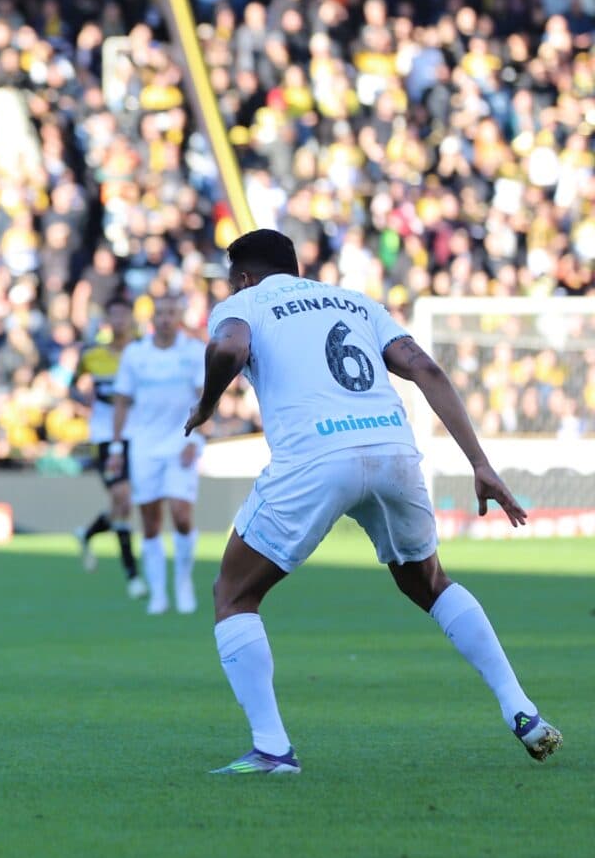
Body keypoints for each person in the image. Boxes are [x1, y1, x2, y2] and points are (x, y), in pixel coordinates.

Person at [185, 230, 559, 774]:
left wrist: (207, 403)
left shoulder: (243, 303)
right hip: (392, 448)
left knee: (234, 593)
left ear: (243, 276)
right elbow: (426, 369)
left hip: (315, 458)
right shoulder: (355, 301)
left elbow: (227, 347)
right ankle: (520, 707)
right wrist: (480, 463)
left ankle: (272, 748)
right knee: (428, 583)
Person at [110, 294, 205, 615]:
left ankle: (183, 581)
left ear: (179, 316)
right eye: (160, 313)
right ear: (152, 318)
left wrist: (199, 437)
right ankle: (158, 593)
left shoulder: (193, 352)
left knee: (181, 515)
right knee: (150, 521)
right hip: (144, 446)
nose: (165, 318)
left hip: (182, 442)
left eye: (170, 313)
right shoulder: (136, 354)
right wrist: (116, 447)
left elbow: (205, 397)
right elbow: (121, 402)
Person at [74, 300, 144, 598]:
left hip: (138, 435)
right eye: (113, 314)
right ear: (107, 319)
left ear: (130, 318)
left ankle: (88, 533)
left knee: (122, 504)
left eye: (123, 315)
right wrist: (83, 401)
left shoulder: (141, 352)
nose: (118, 320)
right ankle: (132, 574)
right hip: (104, 436)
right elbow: (72, 384)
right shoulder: (92, 355)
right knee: (122, 498)